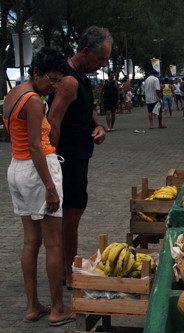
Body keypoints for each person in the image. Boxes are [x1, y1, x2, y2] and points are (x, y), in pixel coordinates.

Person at [4, 47, 74, 326]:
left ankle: (33, 306)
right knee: (54, 243)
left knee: (31, 241)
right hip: (37, 170)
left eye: (58, 82)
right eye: (53, 80)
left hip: (17, 171)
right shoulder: (33, 100)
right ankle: (57, 308)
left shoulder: (14, 94)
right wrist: (50, 187)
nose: (54, 88)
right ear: (37, 73)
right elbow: (35, 145)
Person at [47, 26, 111, 290]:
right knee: (71, 215)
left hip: (79, 155)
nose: (102, 64)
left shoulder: (82, 79)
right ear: (85, 51)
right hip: (67, 158)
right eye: (100, 59)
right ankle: (69, 272)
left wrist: (99, 127)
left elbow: (88, 112)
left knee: (75, 212)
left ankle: (67, 267)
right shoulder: (70, 80)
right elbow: (52, 121)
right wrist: (51, 160)